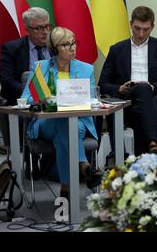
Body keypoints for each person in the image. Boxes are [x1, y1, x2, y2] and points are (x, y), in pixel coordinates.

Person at [21, 27, 103, 199]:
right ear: (54, 49)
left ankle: (65, 190)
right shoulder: (40, 68)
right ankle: (84, 165)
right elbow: (25, 98)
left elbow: (90, 98)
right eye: (66, 45)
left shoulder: (86, 69)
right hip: (46, 124)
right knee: (63, 123)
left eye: (74, 43)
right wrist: (44, 99)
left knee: (64, 131)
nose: (72, 48)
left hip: (77, 122)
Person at [99, 6, 157, 157]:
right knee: (141, 90)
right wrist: (119, 88)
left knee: (141, 102)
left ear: (152, 27)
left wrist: (153, 87)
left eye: (146, 29)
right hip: (126, 99)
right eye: (137, 28)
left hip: (154, 100)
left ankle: (141, 161)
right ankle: (154, 144)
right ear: (130, 24)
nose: (141, 34)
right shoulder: (117, 50)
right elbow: (103, 83)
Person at [0, 7, 53, 179]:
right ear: (27, 30)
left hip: (54, 102)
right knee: (28, 115)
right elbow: (6, 82)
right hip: (24, 102)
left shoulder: (56, 47)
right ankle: (31, 162)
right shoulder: (12, 48)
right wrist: (33, 94)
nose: (45, 32)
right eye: (39, 28)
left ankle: (52, 163)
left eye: (47, 26)